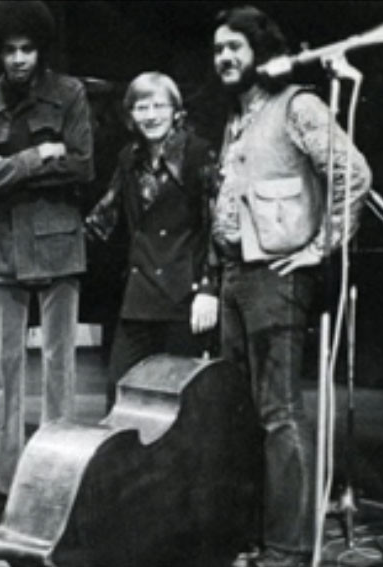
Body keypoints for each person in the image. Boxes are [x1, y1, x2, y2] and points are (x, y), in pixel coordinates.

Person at [211, 6, 372, 567]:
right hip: (236, 274)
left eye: (234, 46)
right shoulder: (238, 116)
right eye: (217, 49)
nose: (224, 57)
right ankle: (255, 535)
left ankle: (288, 549)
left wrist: (320, 246)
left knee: (279, 413)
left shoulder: (297, 105)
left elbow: (353, 173)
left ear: (260, 50)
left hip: (276, 279)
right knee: (244, 414)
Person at [0, 0, 94, 527]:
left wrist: (7, 170)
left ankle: (60, 485)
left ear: (40, 50)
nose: (18, 59)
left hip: (59, 242)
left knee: (62, 371)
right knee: (3, 372)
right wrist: (38, 157)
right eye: (10, 50)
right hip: (3, 247)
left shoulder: (70, 93)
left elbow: (82, 166)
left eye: (27, 49)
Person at [86, 72, 218, 410]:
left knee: (178, 401)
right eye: (141, 107)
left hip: (183, 296)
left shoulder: (198, 154)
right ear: (130, 115)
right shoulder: (129, 157)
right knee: (119, 392)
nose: (151, 115)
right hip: (139, 293)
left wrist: (208, 288)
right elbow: (103, 218)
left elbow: (216, 225)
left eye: (159, 106)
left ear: (176, 111)